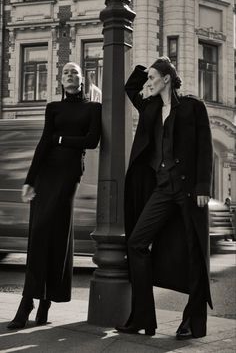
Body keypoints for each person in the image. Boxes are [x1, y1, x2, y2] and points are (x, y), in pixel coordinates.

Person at [115, 56, 213, 339]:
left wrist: (204, 187)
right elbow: (130, 86)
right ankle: (143, 317)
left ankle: (191, 322)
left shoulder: (193, 107)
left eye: (154, 79)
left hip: (189, 191)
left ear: (167, 79)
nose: (149, 84)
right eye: (150, 79)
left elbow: (204, 148)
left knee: (194, 255)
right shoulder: (150, 108)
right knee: (136, 242)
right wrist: (149, 68)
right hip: (160, 189)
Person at [7, 62, 101, 329]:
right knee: (38, 235)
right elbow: (43, 143)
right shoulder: (53, 108)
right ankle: (28, 302)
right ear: (61, 80)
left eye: (75, 73)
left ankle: (45, 300)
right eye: (66, 73)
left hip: (68, 175)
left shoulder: (93, 108)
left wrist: (61, 140)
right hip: (44, 175)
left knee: (56, 234)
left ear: (82, 80)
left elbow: (91, 141)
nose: (70, 75)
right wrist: (29, 180)